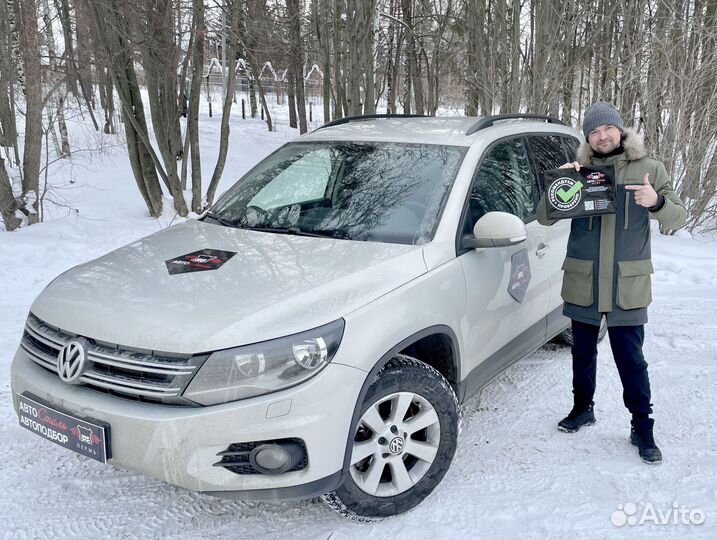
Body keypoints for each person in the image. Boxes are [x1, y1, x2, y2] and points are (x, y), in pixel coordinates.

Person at [537, 101, 686, 464]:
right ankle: (582, 409)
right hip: (584, 281)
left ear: (620, 130)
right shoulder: (580, 171)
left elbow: (678, 217)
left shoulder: (649, 168)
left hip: (627, 285)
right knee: (582, 355)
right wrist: (561, 181)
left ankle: (642, 427)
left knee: (631, 360)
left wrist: (656, 201)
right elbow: (543, 217)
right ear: (587, 137)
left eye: (608, 129)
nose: (602, 136)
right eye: (594, 131)